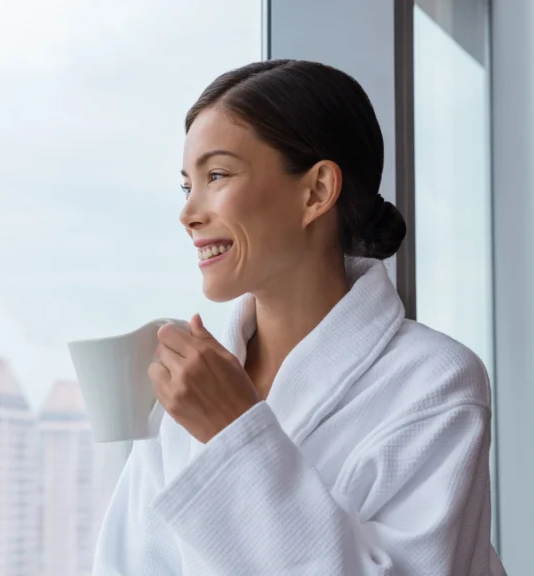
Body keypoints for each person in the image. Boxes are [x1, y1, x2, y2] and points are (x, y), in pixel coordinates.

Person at [92, 59, 506, 575]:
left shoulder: (436, 383)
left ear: (315, 192)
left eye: (216, 175)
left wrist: (235, 433)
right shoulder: (187, 385)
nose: (188, 212)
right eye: (186, 185)